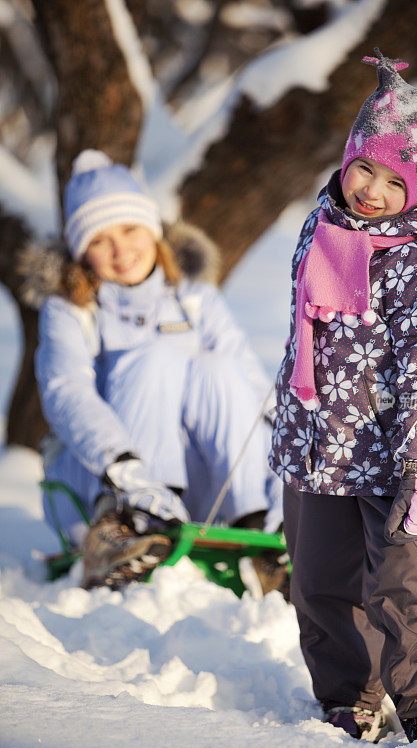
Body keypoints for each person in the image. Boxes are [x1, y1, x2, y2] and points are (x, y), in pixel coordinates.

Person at [269, 50, 417, 746]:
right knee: (318, 587)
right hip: (316, 447)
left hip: (393, 458)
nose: (370, 189)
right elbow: (306, 339)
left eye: (394, 181)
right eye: (363, 167)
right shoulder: (321, 230)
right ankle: (349, 697)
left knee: (404, 585)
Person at [36, 150, 284, 590]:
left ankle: (256, 521)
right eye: (99, 239)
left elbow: (254, 392)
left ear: (153, 230)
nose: (120, 250)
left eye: (130, 229)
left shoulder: (195, 301)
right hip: (99, 482)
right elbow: (66, 392)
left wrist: (287, 477)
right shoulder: (70, 312)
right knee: (155, 356)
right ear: (81, 252)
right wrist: (126, 470)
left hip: (199, 488)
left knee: (219, 368)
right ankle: (133, 525)